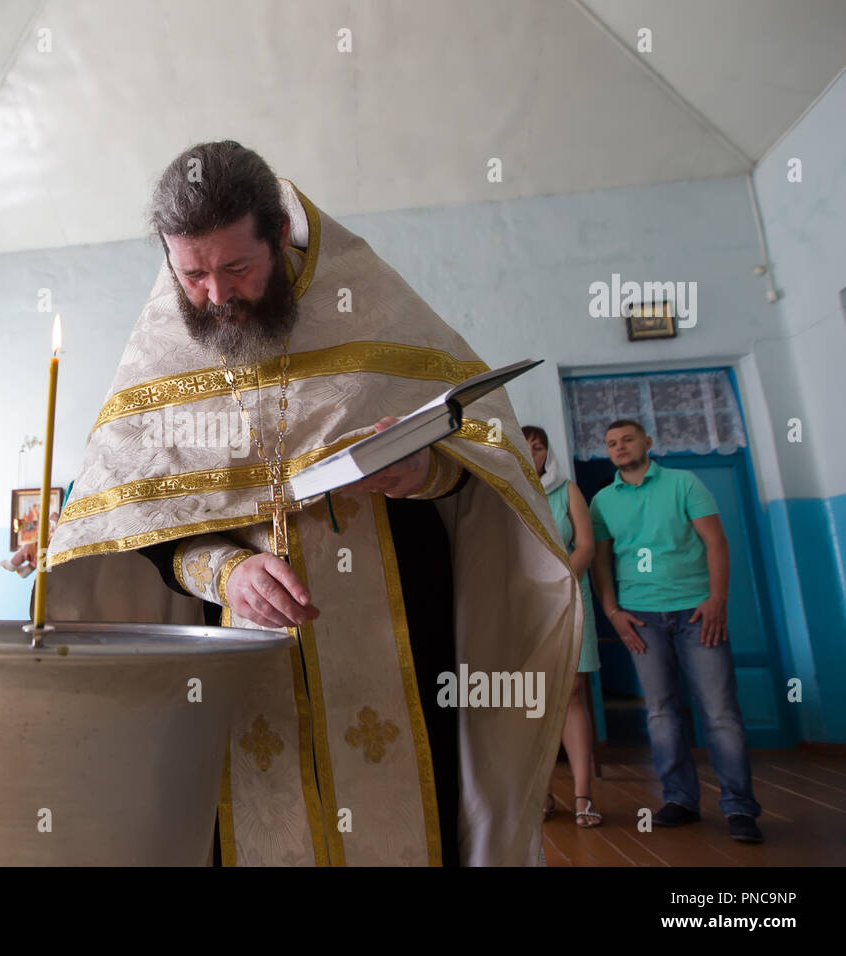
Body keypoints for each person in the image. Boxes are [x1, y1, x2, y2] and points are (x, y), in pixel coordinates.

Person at [43, 142, 581, 865]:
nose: (215, 295)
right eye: (191, 273)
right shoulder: (162, 357)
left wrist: (422, 471)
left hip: (398, 633)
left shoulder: (374, 308)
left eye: (237, 267)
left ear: (281, 239)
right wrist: (225, 574)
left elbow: (485, 469)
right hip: (236, 657)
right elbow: (136, 527)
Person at [589, 419, 762, 843]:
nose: (620, 447)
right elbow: (600, 562)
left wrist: (717, 600)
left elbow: (715, 542)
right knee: (661, 713)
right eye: (611, 443)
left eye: (628, 439)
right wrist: (612, 612)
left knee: (720, 714)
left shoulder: (685, 483)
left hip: (696, 614)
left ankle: (740, 808)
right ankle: (680, 800)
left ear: (648, 441)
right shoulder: (603, 501)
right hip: (641, 619)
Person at [524, 425, 601, 828]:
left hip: (571, 597)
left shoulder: (566, 489)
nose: (533, 453)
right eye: (526, 446)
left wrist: (558, 584)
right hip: (527, 605)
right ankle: (544, 793)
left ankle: (583, 795)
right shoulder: (509, 489)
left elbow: (586, 546)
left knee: (572, 694)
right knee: (535, 700)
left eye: (539, 447)